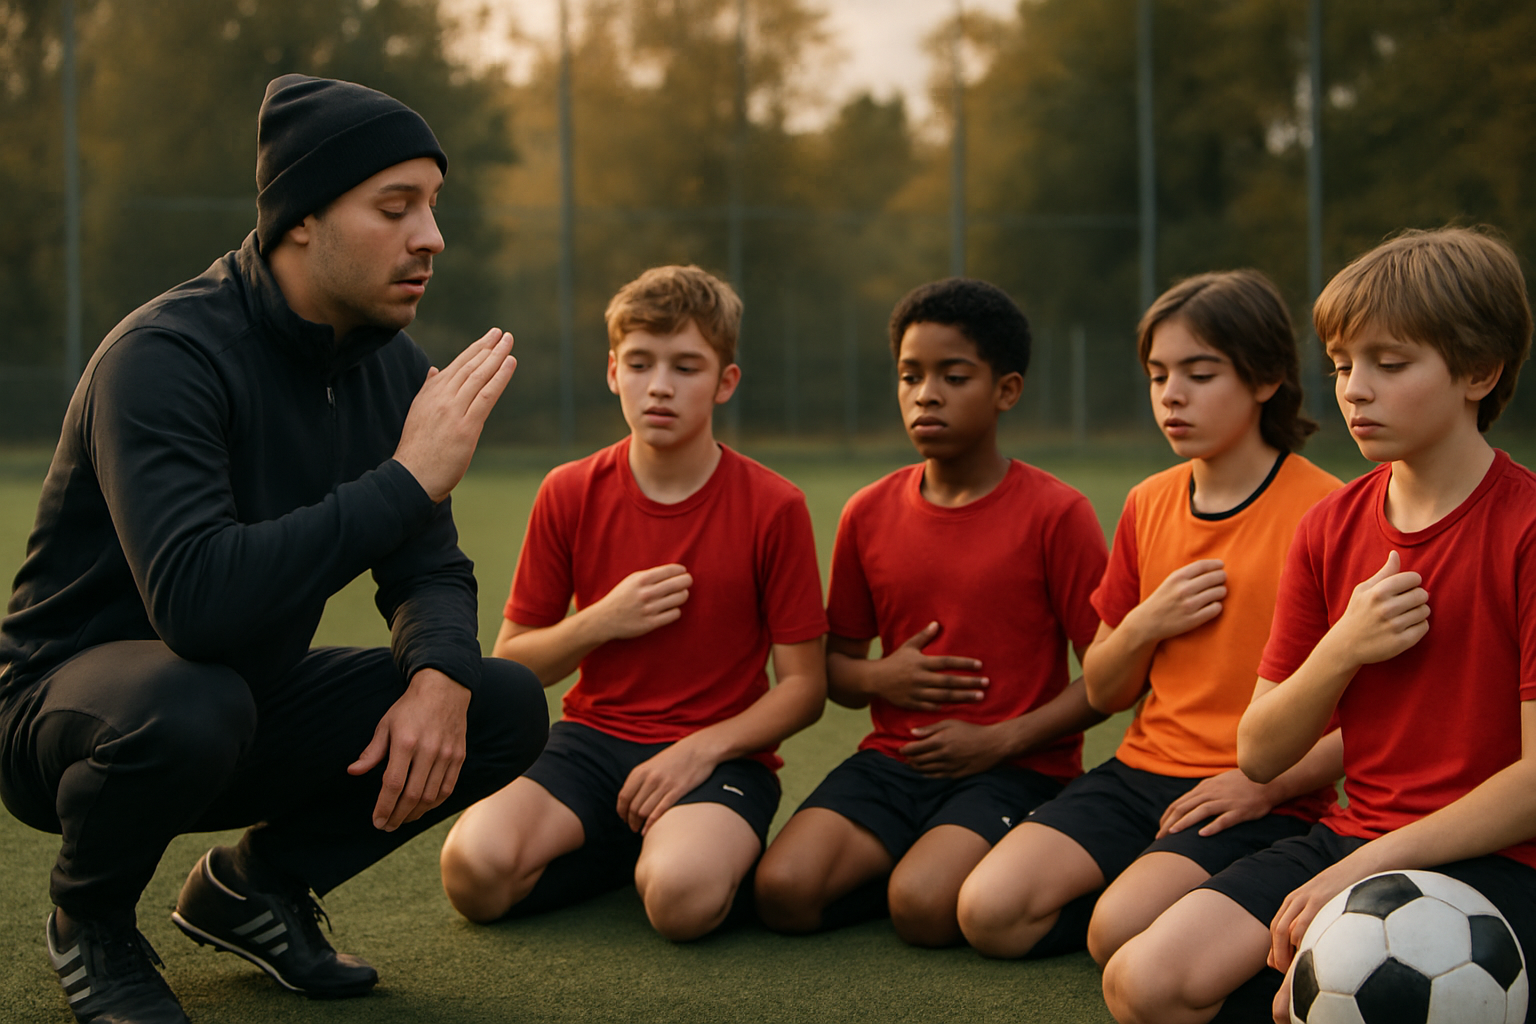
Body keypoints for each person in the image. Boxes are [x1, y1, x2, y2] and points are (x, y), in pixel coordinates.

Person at [0, 75, 549, 1024]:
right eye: (396, 207)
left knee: (498, 700)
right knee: (191, 696)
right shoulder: (164, 357)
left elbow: (429, 568)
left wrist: (439, 675)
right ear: (301, 219)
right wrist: (406, 479)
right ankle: (89, 920)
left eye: (433, 205)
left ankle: (256, 886)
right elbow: (197, 603)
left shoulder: (389, 367)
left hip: (240, 703)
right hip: (74, 713)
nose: (432, 236)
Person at [1101, 227, 1536, 1024]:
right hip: (1352, 834)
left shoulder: (1527, 528)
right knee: (1141, 982)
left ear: (1480, 371)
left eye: (1389, 364)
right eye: (1341, 366)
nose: (1353, 390)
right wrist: (1343, 649)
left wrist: (1368, 865)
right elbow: (1261, 751)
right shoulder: (1330, 526)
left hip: (1497, 860)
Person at [956, 271, 1344, 965]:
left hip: (1254, 787)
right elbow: (1105, 693)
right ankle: (1148, 889)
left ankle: (1187, 911)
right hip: (1138, 771)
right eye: (1158, 374)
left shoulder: (1325, 511)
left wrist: (1267, 784)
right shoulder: (1148, 501)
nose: (1171, 394)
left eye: (1199, 373)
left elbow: (1370, 711)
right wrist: (1144, 623)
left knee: (1118, 934)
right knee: (989, 913)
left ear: (1264, 380)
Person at [438, 265, 827, 941]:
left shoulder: (775, 506)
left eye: (687, 366)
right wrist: (601, 620)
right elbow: (513, 663)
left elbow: (804, 690)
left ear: (725, 382)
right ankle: (628, 848)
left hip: (718, 757)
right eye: (642, 363)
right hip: (589, 746)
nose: (661, 386)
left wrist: (700, 751)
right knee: (474, 874)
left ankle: (681, 853)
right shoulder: (568, 491)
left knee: (680, 901)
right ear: (614, 371)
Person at [752, 278, 1107, 948]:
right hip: (895, 763)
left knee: (922, 908)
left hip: (1017, 769)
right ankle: (915, 860)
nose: (926, 394)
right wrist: (880, 679)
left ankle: (1029, 869)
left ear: (1006, 390)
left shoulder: (1057, 514)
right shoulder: (867, 512)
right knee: (783, 893)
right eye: (910, 376)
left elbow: (1111, 681)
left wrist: (1000, 739)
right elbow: (835, 669)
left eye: (953, 375)